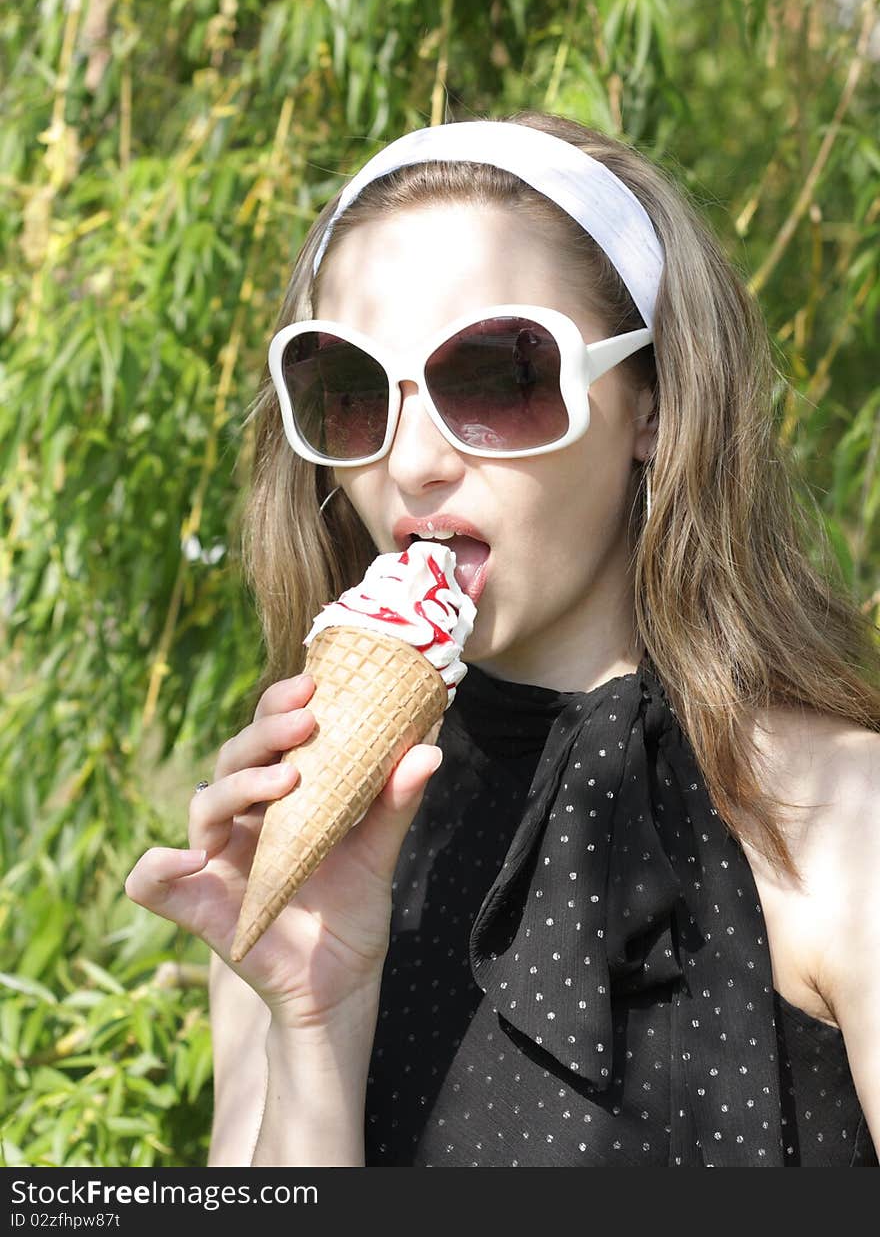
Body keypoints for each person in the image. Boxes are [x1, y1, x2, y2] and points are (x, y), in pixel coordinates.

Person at [125, 112, 880, 1167]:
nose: (414, 462)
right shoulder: (302, 843)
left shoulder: (839, 823)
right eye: (349, 391)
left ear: (653, 405)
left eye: (494, 375)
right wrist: (314, 1016)